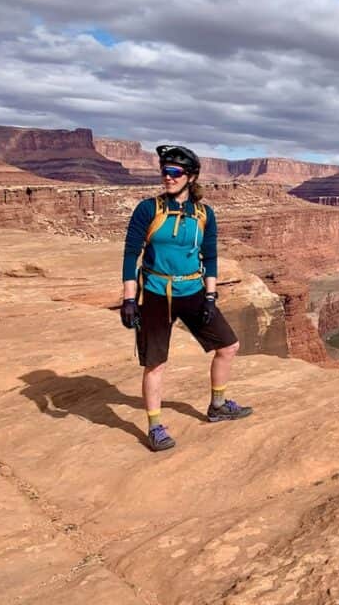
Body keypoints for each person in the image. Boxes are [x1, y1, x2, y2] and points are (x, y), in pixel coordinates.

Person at [120, 144, 252, 452]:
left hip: (192, 291)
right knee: (155, 363)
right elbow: (130, 254)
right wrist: (129, 299)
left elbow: (211, 256)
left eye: (175, 172)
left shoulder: (204, 214)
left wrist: (210, 295)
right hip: (156, 293)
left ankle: (217, 406)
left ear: (191, 177)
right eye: (165, 171)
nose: (168, 177)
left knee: (229, 346)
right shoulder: (148, 209)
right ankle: (155, 427)